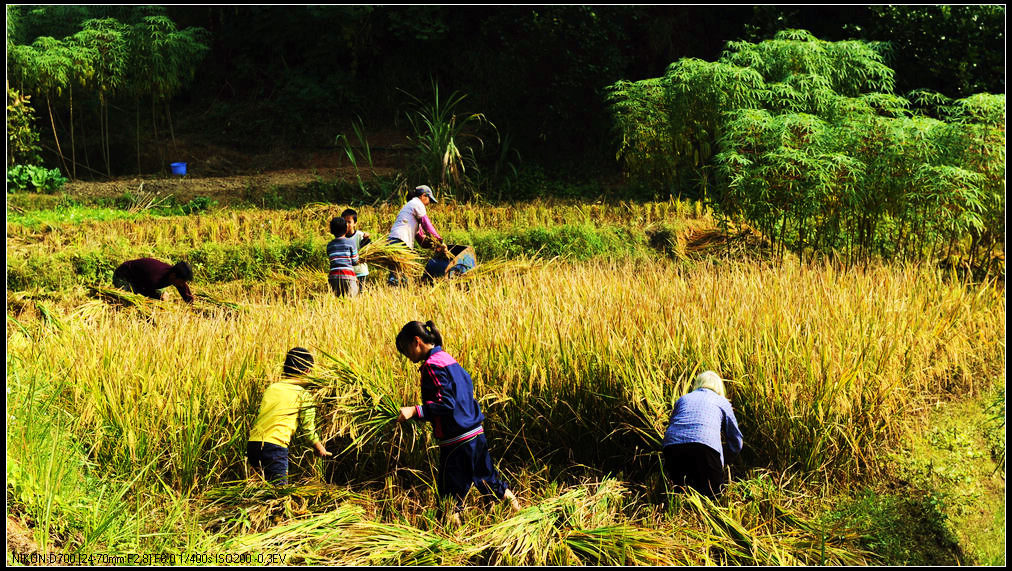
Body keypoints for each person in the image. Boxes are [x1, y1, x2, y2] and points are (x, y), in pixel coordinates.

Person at [395, 320, 521, 524]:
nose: (406, 356)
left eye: (405, 349)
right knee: (489, 481)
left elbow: (446, 404)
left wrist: (414, 411)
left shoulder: (431, 367)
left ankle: (451, 542)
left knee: (449, 498)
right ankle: (519, 512)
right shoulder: (448, 360)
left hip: (457, 441)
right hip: (475, 434)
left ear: (416, 341)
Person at [247, 347, 332, 485]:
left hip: (254, 445)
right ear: (307, 372)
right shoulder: (303, 394)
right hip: (274, 448)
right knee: (279, 495)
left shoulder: (272, 388)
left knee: (264, 490)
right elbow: (308, 429)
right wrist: (319, 447)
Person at [661, 371, 743, 498]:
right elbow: (736, 440)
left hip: (672, 447)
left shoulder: (683, 399)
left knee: (678, 492)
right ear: (719, 387)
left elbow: (673, 424)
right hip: (704, 448)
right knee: (714, 495)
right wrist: (726, 460)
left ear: (697, 384)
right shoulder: (722, 402)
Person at [386, 185, 444, 285]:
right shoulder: (417, 203)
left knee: (398, 273)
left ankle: (399, 293)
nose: (429, 203)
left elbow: (420, 239)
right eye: (429, 199)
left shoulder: (409, 208)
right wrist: (439, 240)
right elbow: (427, 225)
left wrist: (434, 245)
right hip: (401, 241)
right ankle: (396, 291)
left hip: (393, 241)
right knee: (400, 274)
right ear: (423, 196)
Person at [113, 257, 195, 303]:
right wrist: (159, 296)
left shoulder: (174, 274)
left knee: (162, 294)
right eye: (181, 282)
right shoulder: (154, 278)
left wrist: (190, 302)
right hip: (122, 277)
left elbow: (183, 287)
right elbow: (143, 291)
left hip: (140, 278)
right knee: (129, 301)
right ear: (173, 276)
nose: (181, 285)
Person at [327, 216, 361, 297]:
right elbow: (354, 261)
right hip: (348, 276)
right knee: (351, 300)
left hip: (333, 277)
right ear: (346, 229)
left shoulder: (329, 245)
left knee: (338, 300)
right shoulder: (351, 243)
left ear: (331, 231)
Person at [342, 208, 372, 288]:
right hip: (348, 273)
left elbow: (367, 250)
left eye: (349, 222)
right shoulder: (341, 237)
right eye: (344, 222)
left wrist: (366, 239)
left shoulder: (360, 235)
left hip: (360, 271)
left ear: (355, 223)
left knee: (361, 294)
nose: (346, 224)